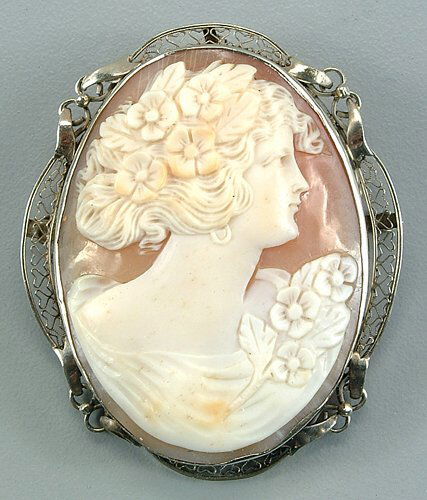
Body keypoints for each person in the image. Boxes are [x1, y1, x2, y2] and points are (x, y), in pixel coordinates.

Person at [68, 60, 356, 452]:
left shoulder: (289, 311)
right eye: (277, 160)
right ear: (215, 180)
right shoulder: (100, 328)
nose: (302, 183)